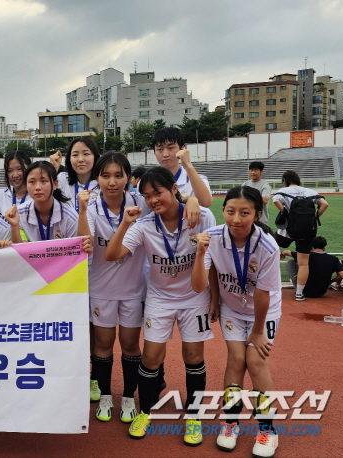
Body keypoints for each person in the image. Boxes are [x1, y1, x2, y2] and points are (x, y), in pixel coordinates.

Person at [104, 166, 216, 445]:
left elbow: (216, 256)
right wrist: (126, 223)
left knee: (193, 357)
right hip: (159, 298)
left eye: (159, 193)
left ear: (175, 190)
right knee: (150, 358)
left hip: (194, 297)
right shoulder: (143, 226)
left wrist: (215, 298)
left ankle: (193, 416)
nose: (153, 200)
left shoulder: (201, 216)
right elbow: (112, 255)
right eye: (147, 195)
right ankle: (145, 412)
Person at [191, 186, 281, 458]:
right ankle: (230, 422)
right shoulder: (213, 237)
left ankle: (268, 429)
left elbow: (263, 294)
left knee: (255, 361)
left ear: (256, 214)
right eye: (230, 211)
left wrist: (257, 333)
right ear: (223, 211)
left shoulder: (267, 246)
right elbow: (199, 284)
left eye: (245, 212)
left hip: (263, 311)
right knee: (235, 361)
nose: (236, 219)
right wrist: (200, 257)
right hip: (232, 308)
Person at [76, 153, 150, 424]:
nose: (112, 182)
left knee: (130, 344)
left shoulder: (142, 203)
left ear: (129, 178)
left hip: (134, 288)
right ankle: (106, 395)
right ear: (97, 178)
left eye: (119, 175)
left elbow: (169, 206)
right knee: (104, 344)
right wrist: (82, 210)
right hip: (101, 287)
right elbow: (83, 241)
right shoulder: (93, 207)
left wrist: (188, 200)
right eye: (105, 175)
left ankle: (129, 397)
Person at [272, 170, 329, 301]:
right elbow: (325, 204)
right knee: (304, 263)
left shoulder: (283, 191)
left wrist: (286, 213)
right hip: (307, 230)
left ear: (285, 181)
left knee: (269, 249)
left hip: (287, 230)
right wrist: (315, 217)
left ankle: (270, 286)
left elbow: (275, 200)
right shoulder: (310, 192)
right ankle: (299, 293)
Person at [151, 127, 212, 208]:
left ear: (182, 148)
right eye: (160, 149)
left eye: (170, 148)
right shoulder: (147, 182)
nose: (165, 154)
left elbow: (205, 202)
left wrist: (188, 165)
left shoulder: (198, 179)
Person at [49, 136, 100, 212]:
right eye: (75, 155)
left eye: (86, 154)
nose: (80, 159)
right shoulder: (62, 180)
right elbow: (47, 197)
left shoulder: (102, 183)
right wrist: (53, 169)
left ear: (95, 157)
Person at [0, 150, 33, 221]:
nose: (15, 175)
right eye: (10, 170)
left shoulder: (36, 197)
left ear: (30, 168)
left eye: (19, 169)